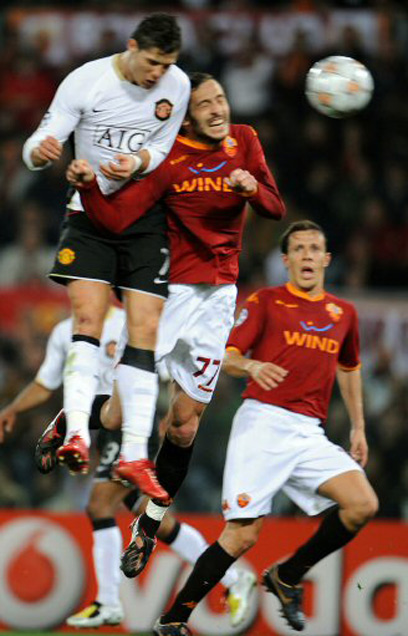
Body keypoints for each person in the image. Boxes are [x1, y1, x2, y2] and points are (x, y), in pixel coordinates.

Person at [65, 71, 286, 585]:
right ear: (186, 118)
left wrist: (253, 189)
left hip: (219, 300)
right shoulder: (166, 156)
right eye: (206, 103)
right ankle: (70, 421)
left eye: (221, 99)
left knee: (184, 427)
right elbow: (120, 218)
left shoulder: (244, 141)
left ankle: (148, 524)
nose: (218, 109)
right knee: (119, 412)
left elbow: (275, 208)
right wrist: (89, 188)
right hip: (169, 294)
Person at [150, 220, 379, 635]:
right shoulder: (266, 302)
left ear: (327, 259)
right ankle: (174, 619)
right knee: (242, 535)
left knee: (362, 504)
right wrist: (252, 365)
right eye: (299, 249)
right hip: (262, 423)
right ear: (286, 260)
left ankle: (287, 576)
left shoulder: (343, 313)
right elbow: (227, 356)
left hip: (309, 431)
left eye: (314, 248)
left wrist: (358, 427)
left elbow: (349, 368)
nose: (307, 255)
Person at [0, 308, 254, 629]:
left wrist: (171, 415)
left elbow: (171, 370)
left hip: (135, 424)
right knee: (154, 521)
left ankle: (108, 601)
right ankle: (233, 579)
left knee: (100, 504)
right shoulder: (66, 332)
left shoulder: (132, 319)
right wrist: (12, 409)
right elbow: (43, 383)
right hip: (104, 422)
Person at [22, 13, 190, 499]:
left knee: (145, 333)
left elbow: (161, 148)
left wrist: (135, 161)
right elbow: (39, 142)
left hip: (144, 219)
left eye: (167, 64)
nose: (158, 73)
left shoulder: (177, 85)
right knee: (87, 320)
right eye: (152, 62)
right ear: (132, 46)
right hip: (90, 215)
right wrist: (40, 154)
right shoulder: (86, 81)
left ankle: (134, 455)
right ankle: (77, 431)